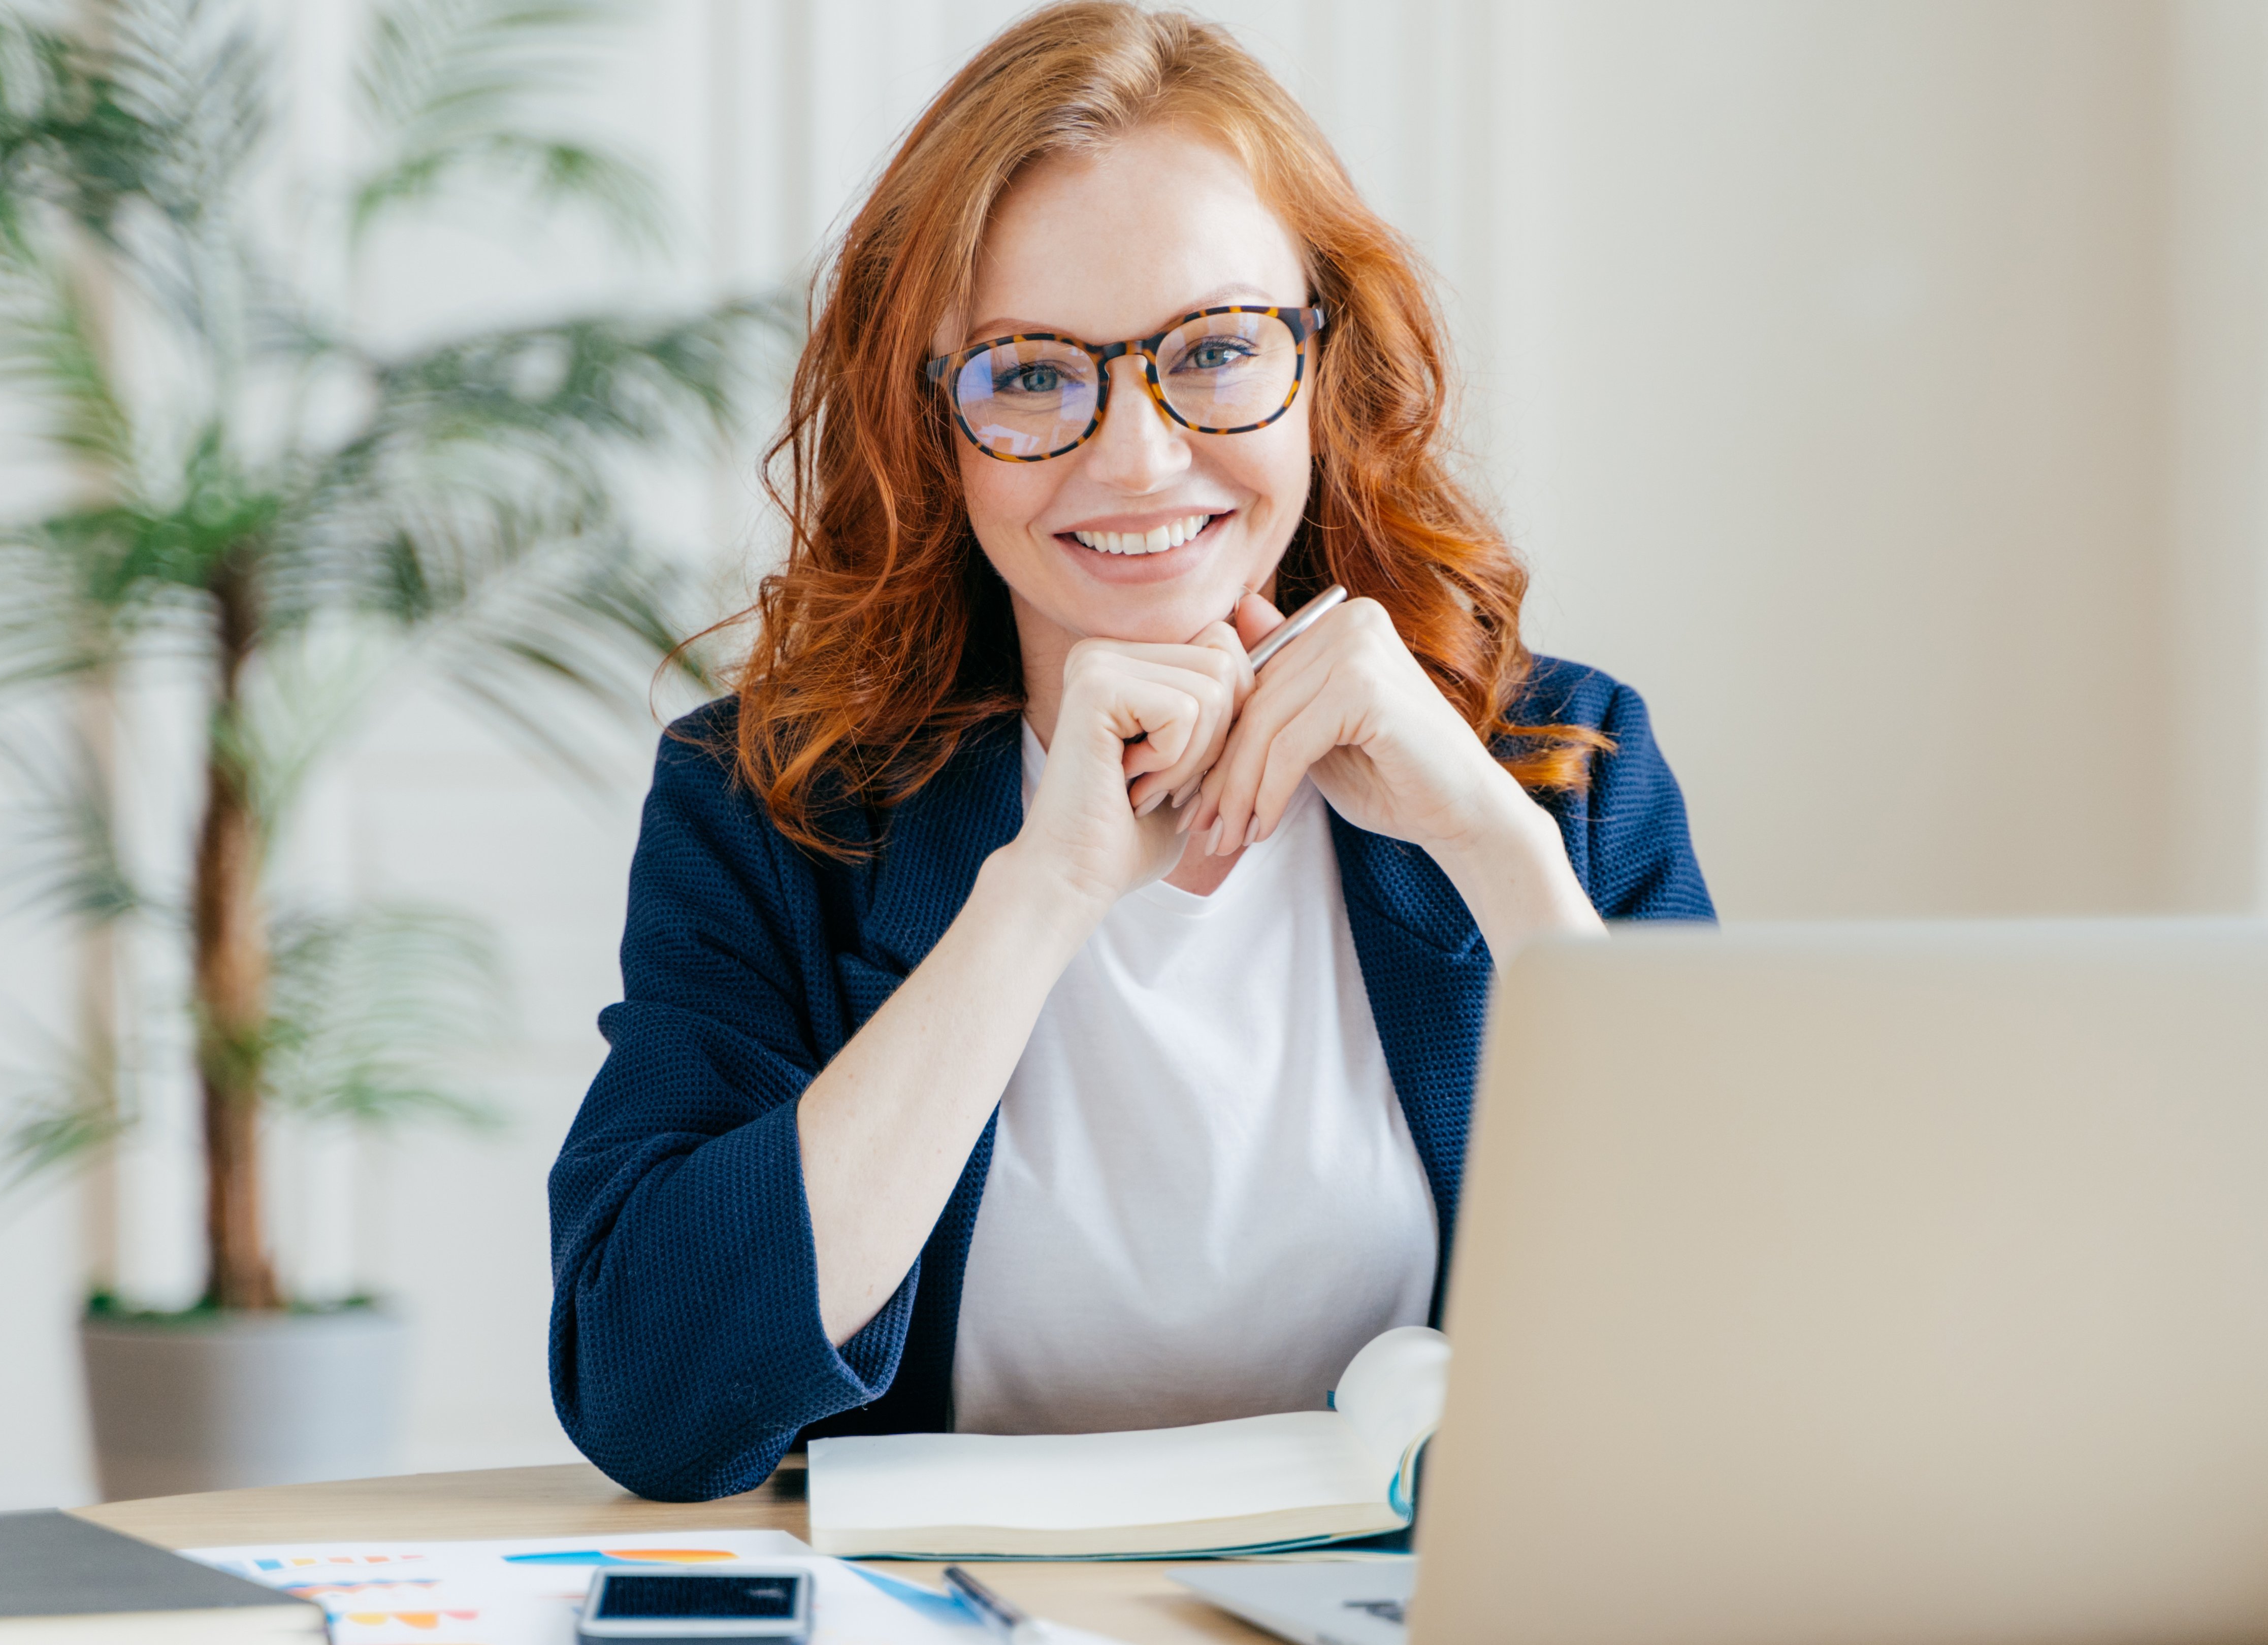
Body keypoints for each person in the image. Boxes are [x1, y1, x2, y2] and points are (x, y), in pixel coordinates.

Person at [547, 1, 1713, 1503]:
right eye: (1030, 374)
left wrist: (1497, 849)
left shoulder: (1560, 763)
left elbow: (1742, 1339)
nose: (1137, 456)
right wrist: (1035, 898)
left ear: (1324, 358)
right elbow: (654, 1398)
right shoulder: (768, 803)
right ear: (933, 425)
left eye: (1216, 350)